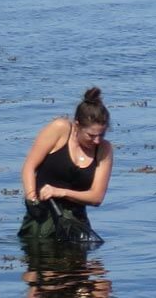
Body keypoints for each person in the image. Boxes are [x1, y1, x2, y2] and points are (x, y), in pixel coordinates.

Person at [19, 87, 114, 242]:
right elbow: (29, 166)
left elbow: (96, 197)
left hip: (76, 223)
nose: (96, 141)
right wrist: (31, 199)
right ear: (77, 125)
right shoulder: (60, 129)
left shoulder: (105, 149)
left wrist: (61, 192)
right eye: (91, 135)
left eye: (101, 135)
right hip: (42, 217)